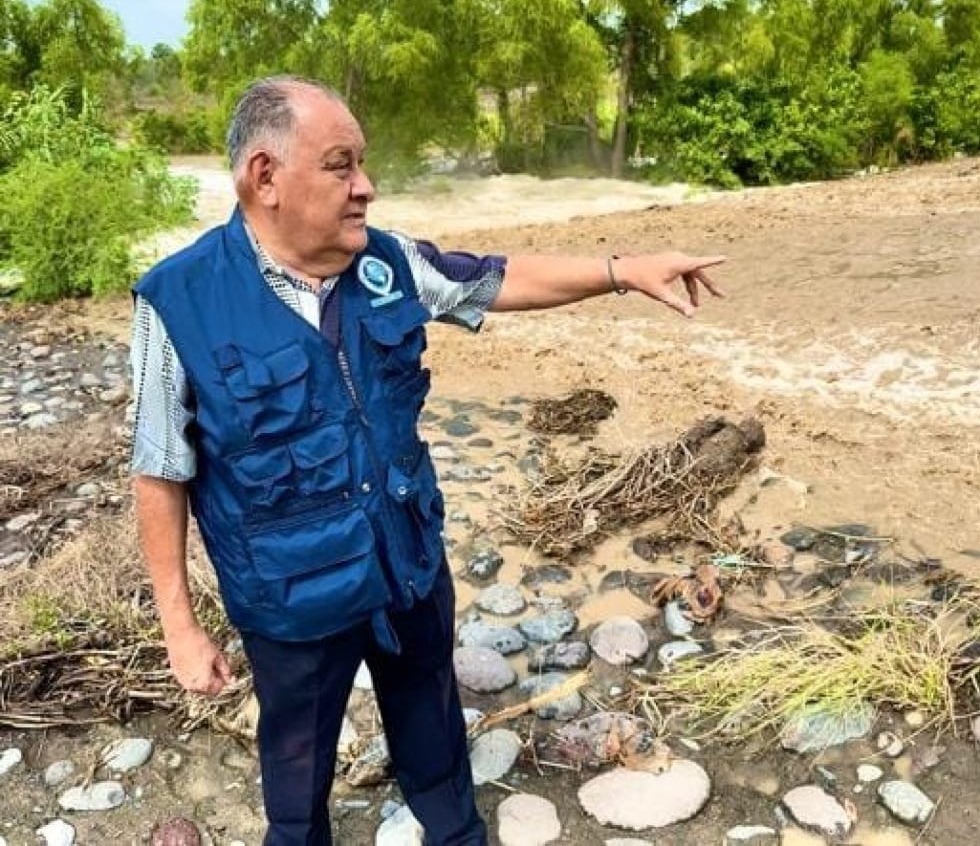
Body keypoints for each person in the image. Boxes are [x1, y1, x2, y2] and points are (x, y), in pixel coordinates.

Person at [129, 75, 726, 845]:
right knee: (296, 781)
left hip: (406, 569)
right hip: (291, 606)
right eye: (341, 165)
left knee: (436, 740)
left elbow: (498, 277)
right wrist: (180, 627)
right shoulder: (178, 300)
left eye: (363, 164)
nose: (366, 188)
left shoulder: (387, 264)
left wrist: (623, 269)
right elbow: (159, 469)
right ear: (265, 178)